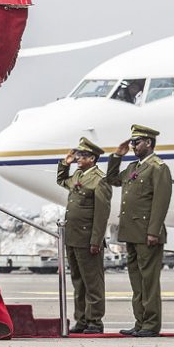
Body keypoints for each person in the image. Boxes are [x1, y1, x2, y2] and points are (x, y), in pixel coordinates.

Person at [106, 124, 172, 338]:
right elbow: (112, 180)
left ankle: (151, 325)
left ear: (149, 143)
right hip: (132, 232)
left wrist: (153, 231)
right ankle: (140, 321)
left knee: (149, 281)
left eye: (137, 142)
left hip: (147, 233)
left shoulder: (158, 167)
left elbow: (161, 202)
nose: (133, 146)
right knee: (136, 281)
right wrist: (117, 156)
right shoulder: (133, 166)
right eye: (132, 142)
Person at [56, 137, 112, 334]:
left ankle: (95, 321)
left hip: (88, 239)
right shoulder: (78, 175)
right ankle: (81, 319)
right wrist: (65, 163)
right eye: (78, 154)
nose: (78, 158)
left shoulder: (99, 179)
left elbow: (101, 214)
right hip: (73, 238)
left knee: (92, 282)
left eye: (82, 155)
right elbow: (62, 180)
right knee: (78, 281)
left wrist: (96, 240)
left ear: (93, 158)